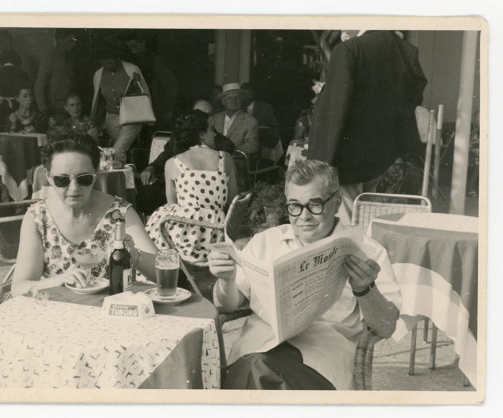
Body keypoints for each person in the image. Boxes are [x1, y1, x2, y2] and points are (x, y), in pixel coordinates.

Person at [210, 159, 401, 390]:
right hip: (259, 346)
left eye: (315, 204)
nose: (304, 216)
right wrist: (226, 279)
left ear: (337, 202)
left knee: (259, 375)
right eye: (294, 206)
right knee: (259, 368)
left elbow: (386, 326)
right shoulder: (265, 242)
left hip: (321, 359)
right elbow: (227, 305)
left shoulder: (366, 251)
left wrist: (366, 289)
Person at [11, 133, 157, 296]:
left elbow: (161, 275)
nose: (74, 188)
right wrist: (58, 280)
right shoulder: (38, 218)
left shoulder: (120, 214)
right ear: (48, 176)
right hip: (57, 313)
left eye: (84, 179)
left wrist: (135, 256)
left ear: (96, 173)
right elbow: (18, 288)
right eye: (62, 180)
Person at [307, 30, 427, 222]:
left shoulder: (350, 50)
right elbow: (414, 101)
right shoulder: (404, 51)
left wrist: (318, 166)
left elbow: (333, 114)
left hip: (348, 164)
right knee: (376, 227)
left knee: (344, 233)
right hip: (389, 159)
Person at [145, 110, 238, 265]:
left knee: (155, 230)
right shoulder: (225, 158)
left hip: (182, 236)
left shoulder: (172, 163)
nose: (215, 134)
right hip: (216, 235)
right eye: (211, 130)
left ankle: (165, 273)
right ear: (201, 134)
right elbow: (233, 200)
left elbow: (172, 206)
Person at [90, 45, 150, 163]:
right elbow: (99, 99)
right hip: (112, 117)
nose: (107, 66)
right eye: (104, 64)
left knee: (117, 151)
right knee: (119, 151)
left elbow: (143, 94)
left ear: (117, 58)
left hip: (133, 117)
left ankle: (123, 178)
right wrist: (94, 118)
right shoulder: (98, 74)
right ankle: (126, 173)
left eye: (110, 63)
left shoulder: (131, 69)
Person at [124, 30, 178, 130]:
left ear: (143, 42)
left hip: (155, 105)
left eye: (135, 46)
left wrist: (169, 109)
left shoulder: (155, 61)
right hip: (137, 106)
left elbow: (170, 85)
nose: (132, 50)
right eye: (129, 47)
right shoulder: (130, 59)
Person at [34, 28, 78, 117]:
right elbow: (39, 87)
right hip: (55, 111)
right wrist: (44, 111)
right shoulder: (49, 59)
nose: (74, 44)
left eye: (74, 40)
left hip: (71, 109)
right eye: (70, 40)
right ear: (59, 40)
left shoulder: (71, 58)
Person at [210, 82, 259, 158]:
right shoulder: (214, 119)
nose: (234, 101)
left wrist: (232, 150)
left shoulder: (250, 121)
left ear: (241, 101)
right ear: (223, 102)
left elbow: (252, 145)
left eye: (237, 98)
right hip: (213, 159)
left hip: (236, 161)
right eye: (230, 98)